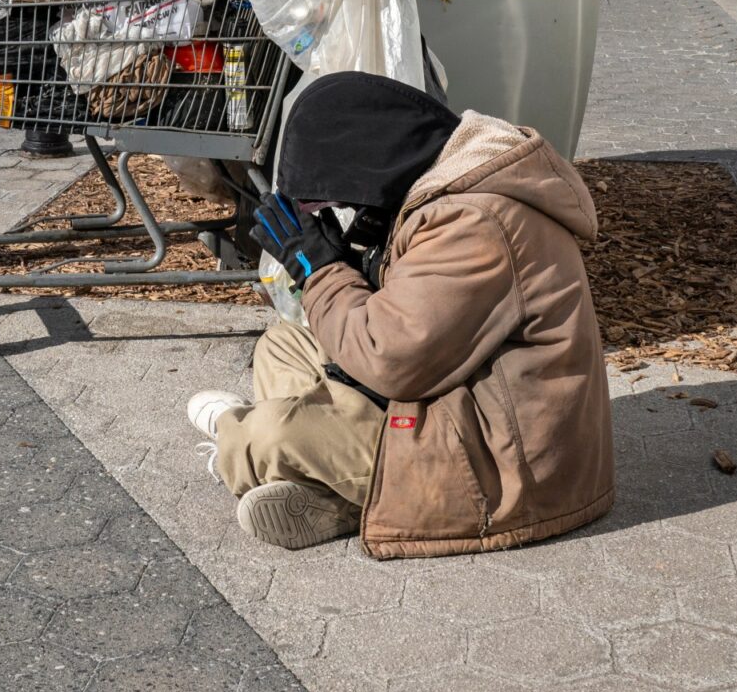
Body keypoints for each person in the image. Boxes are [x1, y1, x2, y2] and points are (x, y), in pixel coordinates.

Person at [186, 72, 614, 557]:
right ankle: (348, 491)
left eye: (340, 197)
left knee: (267, 435)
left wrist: (319, 268)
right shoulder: (449, 182)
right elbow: (411, 320)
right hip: (457, 397)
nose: (343, 208)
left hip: (505, 472)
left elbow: (389, 359)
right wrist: (351, 262)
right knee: (283, 345)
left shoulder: (476, 221)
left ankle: (237, 438)